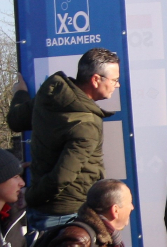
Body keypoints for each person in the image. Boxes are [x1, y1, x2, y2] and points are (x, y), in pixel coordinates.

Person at [23, 49, 120, 231]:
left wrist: (20, 93)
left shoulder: (49, 94)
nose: (117, 85)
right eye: (114, 80)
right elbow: (60, 179)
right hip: (68, 216)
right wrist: (27, 197)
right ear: (96, 79)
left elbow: (16, 119)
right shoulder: (87, 124)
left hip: (43, 214)